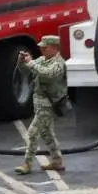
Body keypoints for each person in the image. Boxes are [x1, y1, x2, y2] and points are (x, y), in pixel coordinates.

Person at [17, 36, 69, 173]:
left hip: (48, 104)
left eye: (45, 47)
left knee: (33, 133)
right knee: (46, 133)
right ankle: (57, 161)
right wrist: (22, 62)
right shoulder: (42, 60)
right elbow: (24, 71)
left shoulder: (58, 64)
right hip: (39, 103)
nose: (41, 49)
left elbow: (48, 74)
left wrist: (31, 63)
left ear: (54, 47)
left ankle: (27, 164)